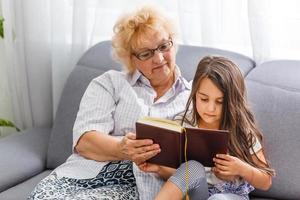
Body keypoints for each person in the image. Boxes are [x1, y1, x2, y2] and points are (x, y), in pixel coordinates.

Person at [28, 5, 193, 200]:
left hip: (139, 186)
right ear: (132, 58)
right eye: (146, 54)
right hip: (79, 176)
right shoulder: (109, 83)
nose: (158, 58)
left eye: (164, 46)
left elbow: (194, 169)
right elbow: (84, 141)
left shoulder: (195, 99)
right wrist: (121, 148)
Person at [140, 56, 275, 200]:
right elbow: (179, 175)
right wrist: (159, 168)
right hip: (197, 195)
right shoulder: (184, 124)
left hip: (230, 196)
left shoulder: (241, 131)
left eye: (220, 102)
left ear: (232, 102)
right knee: (191, 168)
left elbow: (266, 181)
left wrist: (241, 168)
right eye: (204, 99)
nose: (211, 108)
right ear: (195, 95)